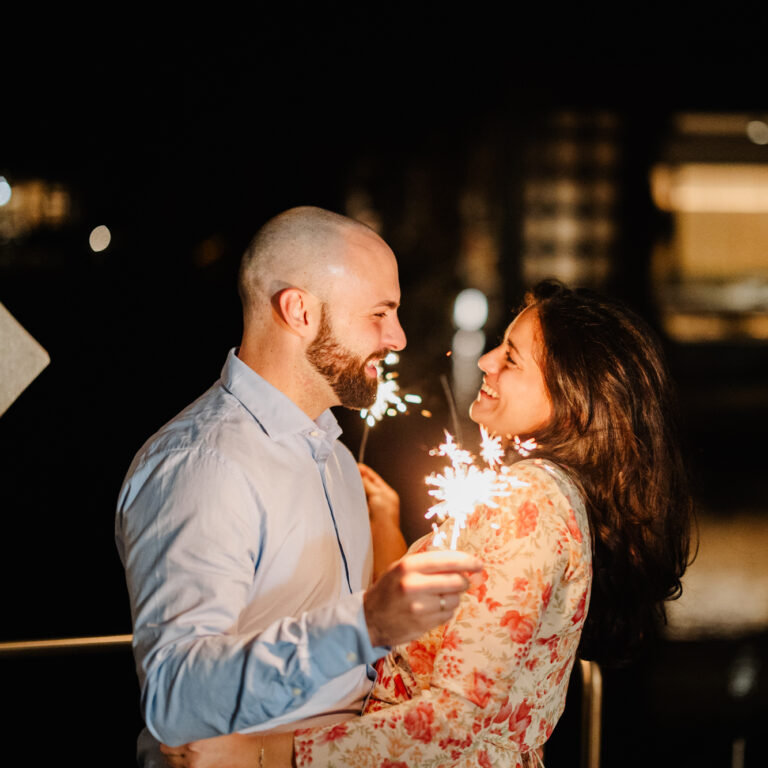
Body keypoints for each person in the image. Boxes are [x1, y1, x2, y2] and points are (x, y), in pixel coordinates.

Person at [160, 278, 694, 767]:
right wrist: (389, 527)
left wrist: (259, 755)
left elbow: (451, 721)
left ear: (574, 401)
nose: (486, 361)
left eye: (511, 359)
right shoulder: (557, 496)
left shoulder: (529, 502)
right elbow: (451, 639)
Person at [115, 206, 482, 767]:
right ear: (300, 311)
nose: (399, 338)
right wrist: (368, 622)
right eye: (380, 313)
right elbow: (176, 700)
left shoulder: (333, 457)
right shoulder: (203, 464)